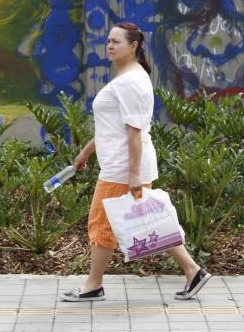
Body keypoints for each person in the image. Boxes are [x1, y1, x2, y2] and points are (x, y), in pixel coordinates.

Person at [60, 22, 211, 302]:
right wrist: (86, 152)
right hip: (123, 164)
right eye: (108, 40)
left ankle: (93, 285)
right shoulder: (129, 77)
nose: (110, 45)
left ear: (133, 46)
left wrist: (132, 174)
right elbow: (114, 126)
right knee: (148, 220)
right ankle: (193, 271)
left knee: (101, 224)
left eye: (116, 41)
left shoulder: (130, 81)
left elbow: (134, 131)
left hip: (122, 168)